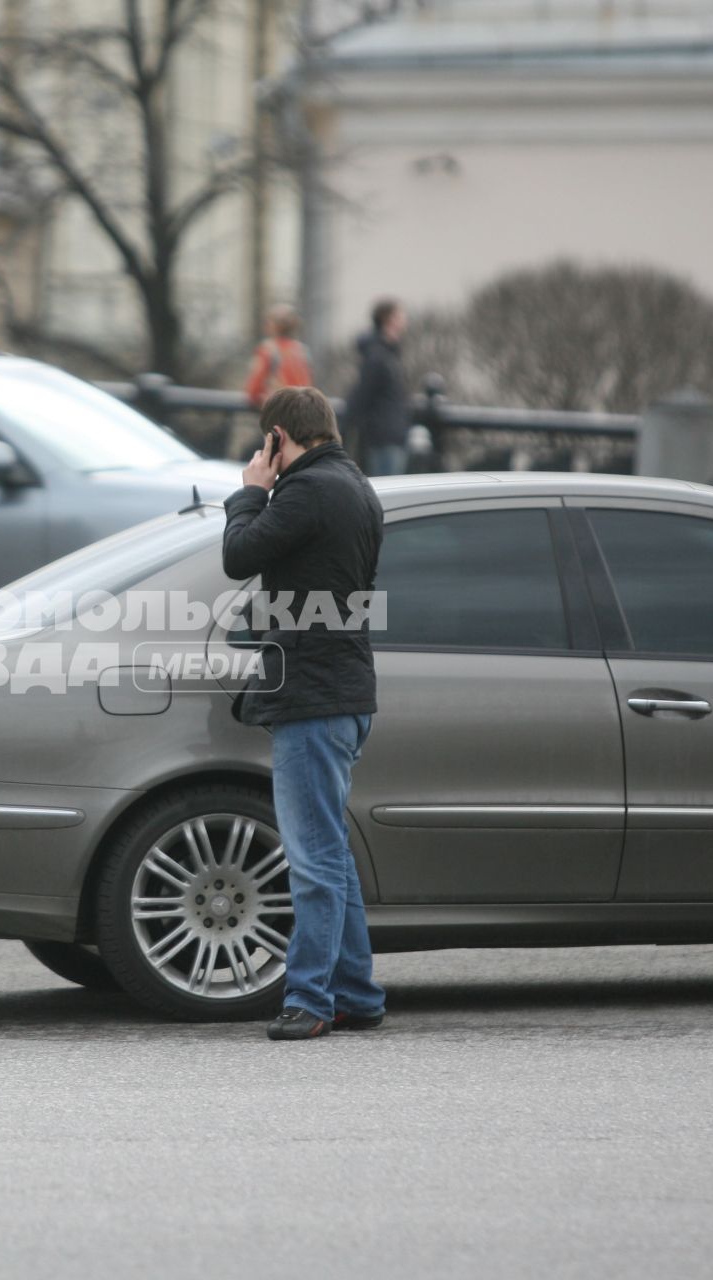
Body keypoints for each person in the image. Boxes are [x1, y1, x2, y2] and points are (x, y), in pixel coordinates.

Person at [221, 387, 387, 1041]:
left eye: (267, 446)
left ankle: (311, 999)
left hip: (314, 697)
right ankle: (357, 993)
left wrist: (250, 492)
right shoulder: (358, 488)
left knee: (314, 858)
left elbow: (239, 555)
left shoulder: (307, 491)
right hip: (344, 693)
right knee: (332, 856)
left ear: (278, 439)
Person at [236, 304, 315, 459]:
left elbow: (252, 390)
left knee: (258, 458)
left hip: (275, 416)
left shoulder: (268, 350)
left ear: (273, 326)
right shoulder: (302, 351)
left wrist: (259, 398)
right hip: (299, 418)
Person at [345, 298, 410, 477]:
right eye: (400, 315)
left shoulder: (387, 353)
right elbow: (363, 395)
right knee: (388, 492)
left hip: (389, 435)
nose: (405, 319)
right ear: (388, 319)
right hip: (383, 437)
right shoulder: (379, 356)